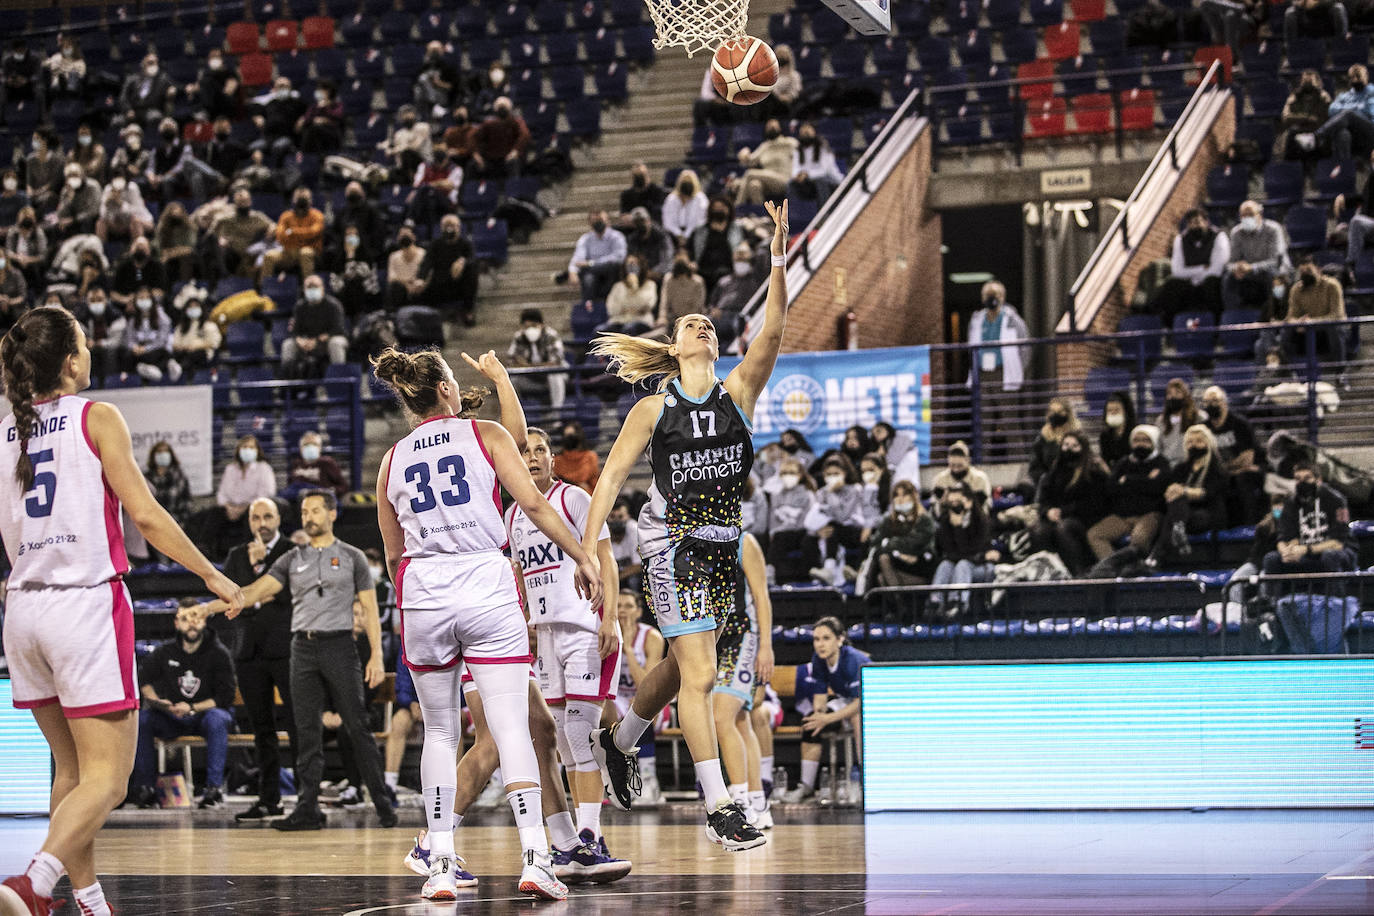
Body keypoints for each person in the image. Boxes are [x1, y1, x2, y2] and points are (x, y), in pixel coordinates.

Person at [0, 307, 242, 916]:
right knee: (110, 779)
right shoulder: (97, 416)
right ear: (72, 360)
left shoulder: (5, 430)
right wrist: (212, 573)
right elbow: (148, 516)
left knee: (72, 770)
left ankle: (87, 900)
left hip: (23, 609)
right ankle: (32, 885)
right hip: (83, 606)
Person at [581, 200, 790, 852]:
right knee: (698, 675)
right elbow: (611, 479)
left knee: (678, 668)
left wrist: (780, 255)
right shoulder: (654, 406)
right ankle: (719, 806)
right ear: (674, 347)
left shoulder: (739, 395)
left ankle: (618, 743)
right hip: (670, 540)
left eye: (708, 322)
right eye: (689, 323)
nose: (701, 325)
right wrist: (588, 548)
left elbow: (776, 331)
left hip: (723, 547)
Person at [371, 347, 606, 901]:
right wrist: (584, 556)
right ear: (449, 390)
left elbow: (390, 552)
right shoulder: (486, 435)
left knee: (441, 733)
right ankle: (535, 859)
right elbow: (538, 509)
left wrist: (418, 585)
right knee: (511, 727)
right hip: (483, 581)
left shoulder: (392, 459)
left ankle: (441, 865)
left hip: (423, 590)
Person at [201, 490, 397, 832]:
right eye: (305, 511)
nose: (309, 517)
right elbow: (255, 592)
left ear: (332, 514)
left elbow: (369, 610)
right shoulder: (291, 558)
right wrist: (208, 607)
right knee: (305, 732)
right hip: (302, 648)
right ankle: (308, 809)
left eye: (316, 510)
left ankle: (383, 804)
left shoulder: (352, 557)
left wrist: (376, 657)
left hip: (339, 645)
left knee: (357, 726)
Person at [506, 426, 625, 864]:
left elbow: (606, 559)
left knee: (579, 733)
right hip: (546, 633)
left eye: (540, 450)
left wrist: (609, 616)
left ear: (553, 460)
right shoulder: (514, 514)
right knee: (562, 741)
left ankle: (592, 833)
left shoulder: (573, 498)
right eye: (525, 451)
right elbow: (521, 576)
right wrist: (525, 623)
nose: (533, 457)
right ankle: (576, 841)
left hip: (584, 627)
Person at [220, 498, 298, 822]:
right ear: (249, 521)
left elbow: (287, 593)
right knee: (261, 728)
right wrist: (255, 592)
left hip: (285, 649)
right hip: (248, 651)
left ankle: (308, 798)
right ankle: (269, 799)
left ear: (279, 518)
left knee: (297, 725)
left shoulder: (291, 552)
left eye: (267, 516)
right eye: (256, 517)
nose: (262, 522)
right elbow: (229, 594)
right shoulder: (237, 555)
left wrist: (258, 582)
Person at [129, 602, 237, 809]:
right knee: (142, 720)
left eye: (196, 617)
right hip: (173, 716)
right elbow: (143, 680)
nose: (192, 624)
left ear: (205, 620)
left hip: (204, 715)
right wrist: (159, 702)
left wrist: (193, 707)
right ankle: (145, 789)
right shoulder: (165, 651)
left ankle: (213, 789)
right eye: (186, 619)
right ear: (177, 623)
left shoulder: (218, 653)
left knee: (219, 718)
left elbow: (226, 697)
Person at [713, 532, 775, 829]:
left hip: (743, 636)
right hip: (714, 638)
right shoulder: (695, 540)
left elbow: (761, 597)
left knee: (721, 717)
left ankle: (739, 802)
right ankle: (758, 801)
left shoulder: (744, 541)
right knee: (739, 721)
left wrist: (766, 646)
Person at [779, 617, 869, 804]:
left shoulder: (853, 659)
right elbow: (819, 699)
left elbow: (860, 702)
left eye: (826, 638)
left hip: (871, 703)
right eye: (816, 639)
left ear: (840, 639)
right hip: (845, 702)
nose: (820, 644)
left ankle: (865, 782)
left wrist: (827, 719)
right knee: (811, 722)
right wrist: (818, 715)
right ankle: (807, 787)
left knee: (857, 719)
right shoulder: (818, 660)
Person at [1262, 459, 1357, 587]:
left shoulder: (1338, 501)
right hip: (1305, 553)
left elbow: (1338, 543)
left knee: (1330, 555)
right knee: (1271, 559)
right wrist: (1287, 552)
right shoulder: (1290, 503)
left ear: (1318, 480)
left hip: (1339, 553)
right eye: (1298, 479)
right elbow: (1283, 537)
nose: (1302, 483)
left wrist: (1306, 549)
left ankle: (1336, 602)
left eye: (1307, 478)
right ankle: (1273, 603)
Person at [1147, 424, 1228, 566]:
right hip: (1184, 514)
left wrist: (1183, 491)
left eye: (1199, 441)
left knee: (1175, 510)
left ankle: (1156, 555)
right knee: (1176, 505)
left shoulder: (1217, 467)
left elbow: (1209, 493)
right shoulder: (1181, 468)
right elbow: (1169, 492)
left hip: (1208, 514)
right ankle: (1179, 529)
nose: (1194, 445)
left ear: (1208, 443)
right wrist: (1174, 492)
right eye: (1190, 442)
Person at [1030, 431, 1109, 574]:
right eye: (1066, 445)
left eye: (1074, 446)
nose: (1069, 449)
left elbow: (1094, 504)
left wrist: (1064, 511)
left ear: (1083, 449)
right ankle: (1047, 573)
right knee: (1039, 531)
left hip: (1084, 519)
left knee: (1064, 528)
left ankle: (1078, 572)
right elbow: (1043, 500)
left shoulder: (1092, 472)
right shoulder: (1054, 471)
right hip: (1057, 518)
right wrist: (1048, 511)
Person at [1087, 424, 1169, 561]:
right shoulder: (1123, 463)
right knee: (1094, 534)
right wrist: (1146, 480)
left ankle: (1134, 570)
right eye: (1137, 440)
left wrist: (1128, 480)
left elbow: (1157, 488)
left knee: (1139, 539)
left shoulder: (1161, 463)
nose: (1140, 444)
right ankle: (1112, 568)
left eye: (1145, 440)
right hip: (1122, 516)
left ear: (1153, 442)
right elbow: (1112, 488)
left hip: (1149, 515)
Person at [613, 590, 666, 803]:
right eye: (618, 606)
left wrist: (627, 649)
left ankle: (647, 778)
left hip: (650, 698)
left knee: (640, 706)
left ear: (638, 612)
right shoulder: (605, 632)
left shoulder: (651, 636)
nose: (622, 611)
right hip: (618, 698)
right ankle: (615, 781)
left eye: (628, 606)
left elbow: (647, 685)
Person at [967, 281, 1027, 460]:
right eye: (987, 295)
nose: (991, 299)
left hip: (1003, 373)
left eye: (995, 295)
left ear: (1002, 297)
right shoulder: (977, 320)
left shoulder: (1012, 319)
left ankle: (1017, 460)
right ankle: (983, 461)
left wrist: (1019, 369)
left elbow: (1025, 347)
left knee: (1009, 419)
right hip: (983, 374)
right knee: (984, 421)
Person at [201, 434, 277, 558]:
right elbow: (222, 493)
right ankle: (205, 549)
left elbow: (266, 493)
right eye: (244, 447)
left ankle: (246, 553)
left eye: (251, 447)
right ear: (239, 450)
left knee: (253, 515)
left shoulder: (264, 469)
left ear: (257, 451)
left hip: (251, 507)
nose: (247, 450)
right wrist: (228, 507)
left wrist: (245, 507)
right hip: (230, 508)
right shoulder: (230, 469)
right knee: (214, 513)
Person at [930, 484, 999, 616]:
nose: (954, 506)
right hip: (961, 565)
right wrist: (955, 527)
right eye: (951, 503)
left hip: (981, 567)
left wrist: (959, 529)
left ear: (969, 502)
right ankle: (934, 602)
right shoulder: (945, 522)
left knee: (963, 564)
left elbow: (973, 551)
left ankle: (957, 603)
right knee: (945, 565)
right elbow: (948, 552)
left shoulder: (981, 521)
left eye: (958, 502)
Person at [1200, 386, 1264, 524]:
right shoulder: (1203, 428)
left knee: (1243, 478)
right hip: (1221, 474)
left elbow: (1247, 459)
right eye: (1207, 402)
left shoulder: (1240, 424)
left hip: (1248, 472)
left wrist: (1223, 468)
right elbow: (1203, 460)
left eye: (1215, 401)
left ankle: (1250, 526)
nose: (1211, 405)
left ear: (1224, 402)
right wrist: (1226, 469)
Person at [1152, 208, 1229, 321]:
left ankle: (1217, 326)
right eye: (1191, 223)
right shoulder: (1180, 239)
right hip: (1190, 282)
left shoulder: (1219, 236)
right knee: (1172, 284)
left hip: (1211, 281)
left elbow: (1217, 269)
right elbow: (1177, 270)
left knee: (1211, 283)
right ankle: (1170, 328)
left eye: (1197, 222)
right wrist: (1201, 268)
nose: (1194, 226)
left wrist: (1192, 273)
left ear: (1206, 222)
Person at [1276, 256, 1347, 371]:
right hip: (1306, 329)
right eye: (1302, 271)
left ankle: (1341, 374)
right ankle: (1287, 372)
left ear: (1318, 270)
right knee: (1286, 330)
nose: (1305, 274)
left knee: (1335, 328)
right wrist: (1298, 323)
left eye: (1308, 270)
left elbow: (1337, 315)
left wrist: (1312, 322)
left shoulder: (1332, 285)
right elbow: (1290, 317)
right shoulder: (1296, 289)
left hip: (1327, 327)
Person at [805, 454, 865, 585]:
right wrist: (818, 531)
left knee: (834, 526)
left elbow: (842, 516)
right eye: (829, 474)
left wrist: (832, 494)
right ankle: (813, 578)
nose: (833, 477)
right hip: (829, 532)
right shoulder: (821, 492)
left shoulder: (854, 490)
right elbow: (813, 518)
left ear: (844, 473)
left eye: (836, 473)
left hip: (852, 531)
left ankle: (829, 569)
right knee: (808, 539)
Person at [1223, 200, 1291, 312]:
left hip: (1274, 270)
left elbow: (1275, 261)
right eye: (1243, 215)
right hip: (1248, 273)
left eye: (1250, 215)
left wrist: (1251, 267)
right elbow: (1230, 263)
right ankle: (1233, 317)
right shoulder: (1236, 232)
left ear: (1260, 215)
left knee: (1273, 275)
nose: (1246, 218)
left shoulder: (1273, 229)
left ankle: (1273, 316)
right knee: (1228, 278)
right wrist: (1236, 268)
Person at [868, 480, 936, 587]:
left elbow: (921, 545)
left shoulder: (925, 520)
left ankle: (899, 600)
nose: (900, 499)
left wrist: (889, 543)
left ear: (914, 496)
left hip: (919, 565)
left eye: (904, 495)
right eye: (896, 495)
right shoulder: (888, 520)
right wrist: (899, 554)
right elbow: (875, 546)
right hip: (896, 564)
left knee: (883, 575)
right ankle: (900, 601)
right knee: (882, 569)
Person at [281, 275, 348, 377]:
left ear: (322, 288)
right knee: (288, 344)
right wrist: (299, 340)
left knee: (336, 343)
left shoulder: (333, 305)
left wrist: (317, 341)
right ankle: (287, 382)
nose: (312, 290)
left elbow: (338, 329)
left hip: (327, 341)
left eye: (315, 286)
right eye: (309, 287)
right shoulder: (300, 306)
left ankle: (338, 379)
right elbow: (295, 330)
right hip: (306, 342)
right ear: (304, 290)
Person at [764, 457, 818, 583]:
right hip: (783, 534)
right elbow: (773, 519)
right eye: (784, 473)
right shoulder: (776, 495)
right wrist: (773, 532)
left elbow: (808, 520)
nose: (787, 476)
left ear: (800, 475)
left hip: (803, 532)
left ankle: (810, 576)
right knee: (776, 537)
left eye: (791, 473)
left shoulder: (807, 494)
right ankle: (770, 572)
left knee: (805, 540)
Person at [418, 213, 477, 324]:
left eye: (452, 225)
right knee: (421, 286)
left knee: (472, 271)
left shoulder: (466, 244)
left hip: (460, 284)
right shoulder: (435, 244)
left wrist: (462, 261)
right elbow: (427, 262)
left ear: (459, 228)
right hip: (440, 283)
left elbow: (472, 259)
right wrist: (421, 278)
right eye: (446, 225)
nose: (449, 229)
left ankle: (468, 311)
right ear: (441, 228)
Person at [507, 308, 567, 410]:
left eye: (534, 326)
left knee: (555, 375)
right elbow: (511, 362)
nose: (530, 330)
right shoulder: (519, 337)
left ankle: (557, 413)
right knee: (512, 379)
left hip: (550, 377)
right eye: (526, 327)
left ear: (542, 324)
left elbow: (556, 362)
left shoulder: (551, 335)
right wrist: (529, 366)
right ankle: (515, 412)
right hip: (530, 377)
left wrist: (527, 366)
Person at [209, 186, 275, 279]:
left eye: (245, 201)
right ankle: (223, 280)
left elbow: (273, 225)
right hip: (232, 253)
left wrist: (271, 229)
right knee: (216, 250)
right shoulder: (226, 218)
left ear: (250, 201)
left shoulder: (257, 217)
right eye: (240, 202)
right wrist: (219, 238)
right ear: (235, 202)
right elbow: (211, 232)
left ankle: (260, 285)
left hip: (251, 252)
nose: (243, 204)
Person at [261, 189, 324, 282]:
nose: (301, 201)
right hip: (289, 253)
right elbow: (280, 236)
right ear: (293, 200)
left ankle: (308, 286)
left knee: (305, 252)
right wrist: (303, 237)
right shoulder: (286, 216)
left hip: (311, 251)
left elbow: (314, 233)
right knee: (268, 256)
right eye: (298, 198)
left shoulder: (317, 215)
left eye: (305, 198)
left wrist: (292, 231)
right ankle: (266, 288)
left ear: (311, 201)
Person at [564, 210, 628, 302]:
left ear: (607, 220)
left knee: (611, 266)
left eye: (600, 219)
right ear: (589, 223)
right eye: (594, 220)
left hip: (612, 272)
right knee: (588, 278)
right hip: (592, 273)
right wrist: (572, 272)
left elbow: (618, 258)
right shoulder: (585, 239)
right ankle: (590, 309)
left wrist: (592, 263)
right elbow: (578, 258)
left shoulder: (617, 236)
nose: (598, 222)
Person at [734, 120, 798, 205]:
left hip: (783, 179)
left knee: (750, 173)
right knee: (754, 185)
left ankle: (738, 206)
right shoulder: (764, 146)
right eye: (769, 126)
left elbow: (802, 152)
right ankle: (761, 214)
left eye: (774, 125)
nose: (771, 127)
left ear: (780, 128)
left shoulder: (789, 142)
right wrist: (743, 154)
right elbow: (750, 161)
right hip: (767, 181)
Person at [687, 198, 744, 293]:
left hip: (728, 270)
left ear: (729, 210)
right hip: (702, 270)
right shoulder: (700, 231)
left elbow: (746, 244)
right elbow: (688, 250)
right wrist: (691, 262)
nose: (719, 210)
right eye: (716, 208)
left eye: (722, 208)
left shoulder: (737, 230)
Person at [119, 289, 173, 382]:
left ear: (152, 300)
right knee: (127, 354)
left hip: (154, 349)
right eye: (141, 298)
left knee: (162, 353)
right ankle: (145, 370)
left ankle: (164, 367)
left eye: (147, 298)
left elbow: (161, 341)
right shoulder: (133, 320)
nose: (144, 301)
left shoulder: (162, 318)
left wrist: (146, 348)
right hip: (139, 351)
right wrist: (134, 347)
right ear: (136, 302)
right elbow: (129, 339)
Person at [1027, 397, 1081, 489]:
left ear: (1068, 414)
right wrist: (1047, 480)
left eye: (1060, 412)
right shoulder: (1043, 437)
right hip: (1049, 486)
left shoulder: (1078, 435)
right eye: (1052, 411)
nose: (1055, 415)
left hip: (1075, 485)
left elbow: (1084, 461)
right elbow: (1034, 467)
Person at [470, 97, 530, 180]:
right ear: (495, 109)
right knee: (472, 164)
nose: (501, 108)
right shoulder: (489, 123)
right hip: (491, 159)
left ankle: (514, 191)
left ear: (510, 108)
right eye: (499, 106)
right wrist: (476, 154)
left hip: (508, 158)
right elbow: (474, 137)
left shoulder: (516, 122)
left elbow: (525, 135)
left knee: (514, 162)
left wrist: (516, 151)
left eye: (504, 106)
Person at [1278, 70, 1332, 161]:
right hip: (1299, 130)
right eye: (1305, 81)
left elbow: (1323, 119)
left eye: (1311, 81)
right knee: (1291, 134)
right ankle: (1290, 168)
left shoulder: (1324, 97)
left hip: (1318, 131)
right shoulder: (1294, 97)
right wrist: (1307, 118)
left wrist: (1302, 119)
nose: (1308, 84)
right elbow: (1286, 118)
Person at [1336, 149, 1374, 272]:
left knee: (1357, 222)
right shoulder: (1372, 177)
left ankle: (1350, 265)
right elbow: (1364, 199)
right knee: (1340, 230)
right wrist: (1344, 199)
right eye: (1372, 160)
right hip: (1370, 223)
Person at [790, 122, 845, 204]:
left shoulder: (823, 146)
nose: (805, 134)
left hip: (832, 181)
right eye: (803, 132)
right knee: (791, 183)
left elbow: (824, 171)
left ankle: (825, 211)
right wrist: (798, 175)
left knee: (820, 181)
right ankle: (795, 212)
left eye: (808, 131)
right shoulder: (798, 149)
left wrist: (806, 174)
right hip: (810, 182)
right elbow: (795, 168)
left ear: (814, 132)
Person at [283, 431, 349, 501]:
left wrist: (329, 491)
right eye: (306, 444)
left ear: (320, 447)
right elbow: (290, 486)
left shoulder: (327, 463)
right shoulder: (296, 464)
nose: (310, 447)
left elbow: (343, 486)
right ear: (300, 448)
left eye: (314, 444)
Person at [603, 255, 658, 336]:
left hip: (641, 321)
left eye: (634, 264)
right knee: (600, 330)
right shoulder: (618, 286)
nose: (631, 268)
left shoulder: (650, 285)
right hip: (619, 321)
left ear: (641, 266)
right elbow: (612, 310)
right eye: (629, 265)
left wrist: (634, 287)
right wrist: (628, 307)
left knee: (628, 329)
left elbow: (646, 305)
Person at [169, 294, 220, 379]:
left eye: (196, 306)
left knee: (195, 354)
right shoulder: (181, 327)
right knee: (175, 354)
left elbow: (214, 343)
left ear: (201, 308)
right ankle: (175, 368)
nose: (193, 309)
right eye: (190, 307)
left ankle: (179, 368)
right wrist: (182, 347)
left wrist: (197, 346)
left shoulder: (209, 325)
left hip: (202, 354)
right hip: (184, 352)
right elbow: (175, 343)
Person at [1155, 377, 1203, 466]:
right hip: (1168, 466)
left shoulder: (1199, 417)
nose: (1173, 397)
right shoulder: (1161, 421)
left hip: (1191, 464)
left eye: (1177, 393)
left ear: (1185, 395)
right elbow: (1158, 447)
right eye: (1169, 393)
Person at [144, 441, 193, 528]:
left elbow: (186, 501)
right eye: (159, 452)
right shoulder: (147, 478)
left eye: (165, 451)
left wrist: (182, 523)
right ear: (154, 456)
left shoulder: (179, 476)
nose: (163, 454)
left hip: (176, 524)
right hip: (153, 525)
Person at [661, 169, 708, 248]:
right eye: (684, 180)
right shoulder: (672, 198)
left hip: (694, 233)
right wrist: (678, 235)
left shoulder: (700, 198)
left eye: (689, 180)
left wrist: (686, 236)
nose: (687, 183)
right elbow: (667, 220)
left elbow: (700, 220)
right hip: (674, 235)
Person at [54, 164, 101, 240]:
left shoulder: (92, 186)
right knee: (57, 226)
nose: (73, 178)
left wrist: (74, 220)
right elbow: (60, 214)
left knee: (85, 223)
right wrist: (69, 199)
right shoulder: (66, 190)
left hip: (88, 220)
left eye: (75, 175)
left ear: (82, 175)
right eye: (70, 175)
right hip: (72, 219)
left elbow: (93, 211)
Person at [553, 420, 599, 494]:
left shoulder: (591, 456)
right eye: (567, 436)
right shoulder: (558, 460)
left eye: (572, 435)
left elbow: (591, 479)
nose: (570, 439)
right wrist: (579, 484)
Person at [607, 499, 642, 590]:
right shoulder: (602, 532)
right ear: (606, 518)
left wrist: (615, 579)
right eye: (612, 516)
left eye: (620, 516)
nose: (616, 520)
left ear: (628, 517)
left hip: (630, 577)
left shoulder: (634, 529)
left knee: (633, 580)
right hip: (610, 575)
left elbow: (639, 565)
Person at [1099, 391, 1138, 467]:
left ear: (1125, 412)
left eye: (1117, 410)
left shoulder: (1135, 433)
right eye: (1110, 410)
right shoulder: (1105, 436)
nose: (1113, 413)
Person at [1284, 0, 1350, 42]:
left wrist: (1316, 2)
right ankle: (1293, 50)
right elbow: (1294, 2)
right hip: (1305, 11)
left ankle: (1341, 45)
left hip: (1326, 9)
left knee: (1338, 8)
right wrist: (1303, 2)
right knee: (1290, 13)